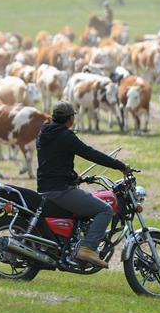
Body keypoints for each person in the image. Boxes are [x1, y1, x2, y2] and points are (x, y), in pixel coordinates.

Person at [36, 101, 131, 269]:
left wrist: (73, 177)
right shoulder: (65, 136)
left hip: (46, 187)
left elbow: (51, 162)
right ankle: (87, 248)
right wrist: (120, 165)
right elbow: (90, 153)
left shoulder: (44, 133)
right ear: (70, 119)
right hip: (60, 190)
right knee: (105, 210)